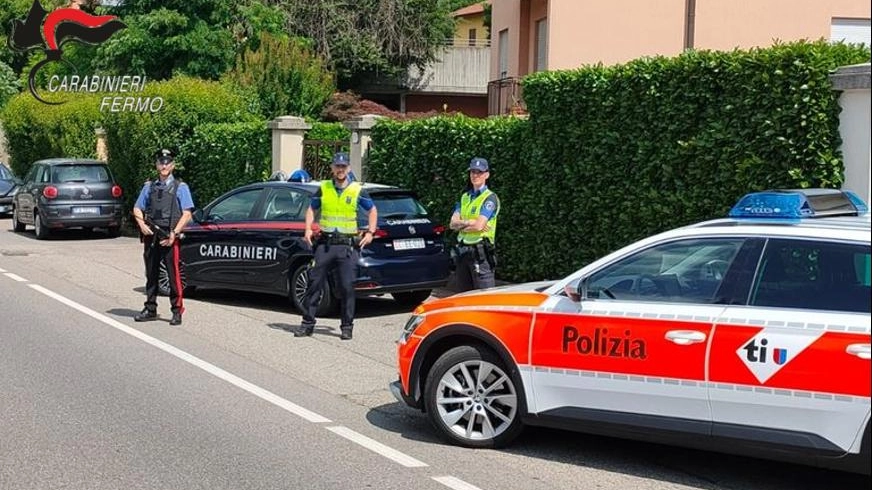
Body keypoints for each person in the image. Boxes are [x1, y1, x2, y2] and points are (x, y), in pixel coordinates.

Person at [295, 152, 377, 340]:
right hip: (325, 244)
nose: (340, 170)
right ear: (332, 168)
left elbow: (372, 209)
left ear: (348, 168)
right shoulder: (324, 188)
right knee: (314, 284)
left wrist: (371, 232)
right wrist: (307, 229)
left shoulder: (357, 190)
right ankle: (307, 324)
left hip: (347, 247)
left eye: (343, 167)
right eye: (337, 166)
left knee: (347, 287)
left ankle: (346, 327)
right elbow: (311, 208)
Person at [132, 149, 195, 326]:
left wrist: (174, 233)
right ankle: (150, 308)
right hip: (151, 237)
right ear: (157, 165)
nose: (164, 165)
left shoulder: (180, 187)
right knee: (151, 275)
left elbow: (187, 214)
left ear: (172, 165)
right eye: (161, 162)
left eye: (167, 162)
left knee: (173, 275)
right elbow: (137, 208)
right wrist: (142, 226)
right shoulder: (149, 187)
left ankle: (177, 311)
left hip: (169, 236)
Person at [449, 157, 500, 291]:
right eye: (472, 172)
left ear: (487, 175)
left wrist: (463, 225)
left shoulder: (490, 198)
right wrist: (469, 222)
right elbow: (452, 224)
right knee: (463, 297)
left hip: (480, 254)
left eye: (479, 172)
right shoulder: (464, 197)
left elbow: (478, 226)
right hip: (463, 253)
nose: (475, 175)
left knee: (484, 297)